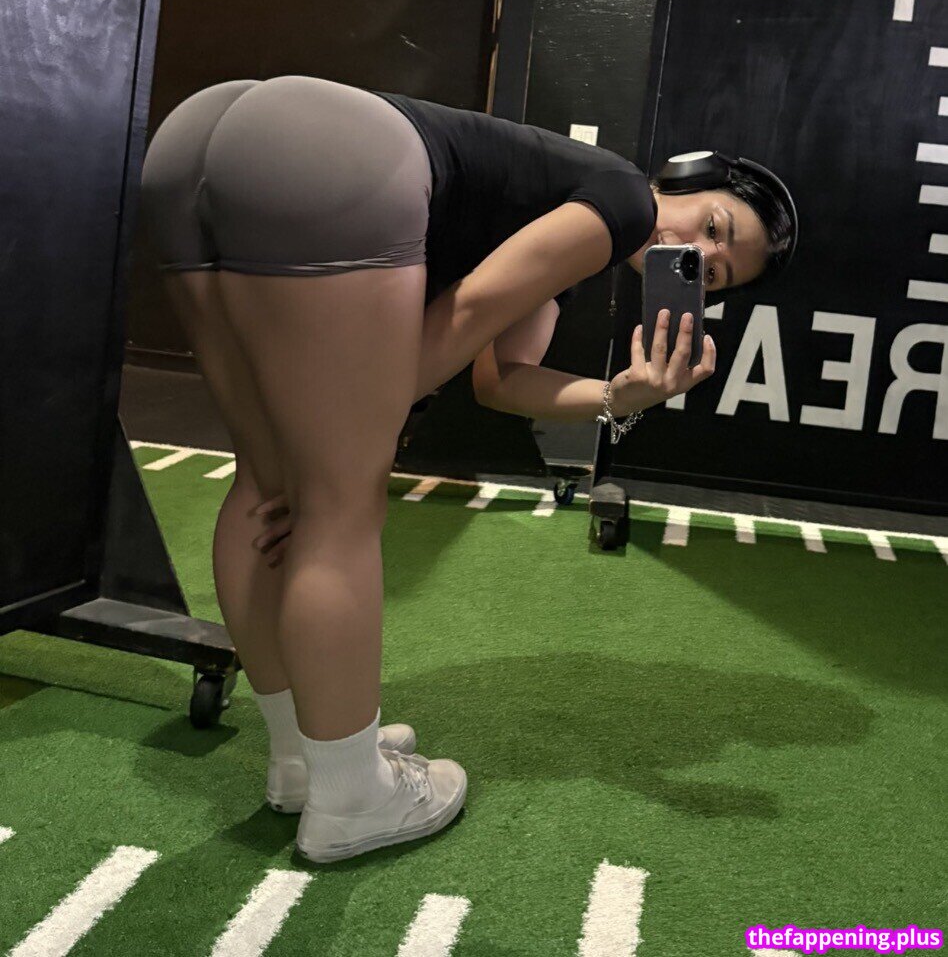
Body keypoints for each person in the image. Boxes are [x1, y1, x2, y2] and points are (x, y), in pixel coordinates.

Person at [138, 74, 796, 863]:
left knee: (267, 481)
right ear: (684, 178)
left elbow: (499, 378)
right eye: (714, 225)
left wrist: (620, 396)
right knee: (338, 502)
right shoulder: (625, 201)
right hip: (327, 153)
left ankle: (300, 761)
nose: (699, 252)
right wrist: (348, 435)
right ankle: (351, 798)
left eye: (715, 271)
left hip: (203, 137)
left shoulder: (575, 207)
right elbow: (465, 317)